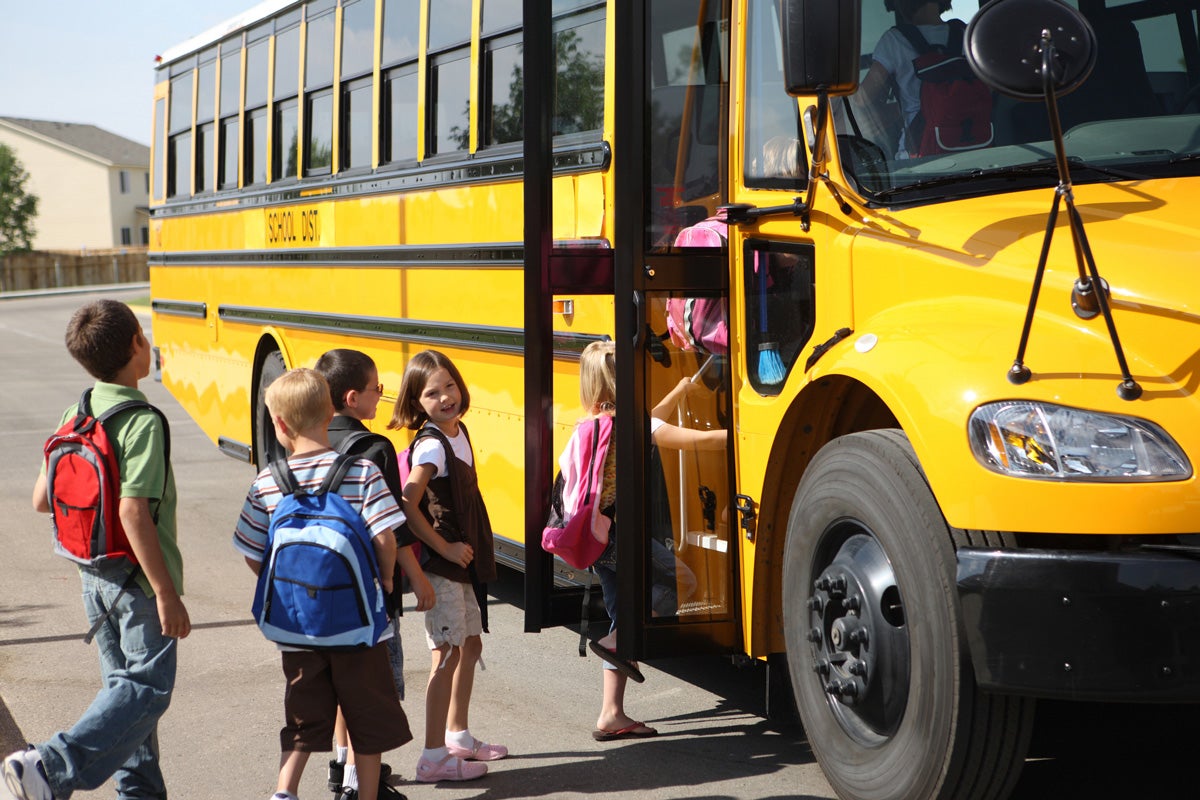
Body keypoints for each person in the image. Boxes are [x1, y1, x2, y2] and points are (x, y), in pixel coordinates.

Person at [6, 299, 191, 800]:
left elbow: (42, 499)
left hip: (92, 574)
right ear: (136, 345)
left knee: (126, 699)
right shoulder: (141, 421)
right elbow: (133, 513)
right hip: (135, 582)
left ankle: (139, 794)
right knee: (148, 688)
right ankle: (47, 766)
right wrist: (166, 593)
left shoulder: (77, 409)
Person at [233, 368, 411, 800]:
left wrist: (287, 591)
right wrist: (385, 579)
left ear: (279, 424)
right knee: (366, 720)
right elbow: (386, 537)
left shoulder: (267, 482)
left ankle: (285, 790)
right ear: (332, 410)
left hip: (298, 629)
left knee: (302, 716)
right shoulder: (362, 471)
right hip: (360, 627)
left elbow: (253, 550)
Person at [576, 341, 724, 742]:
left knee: (620, 615)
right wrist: (741, 436)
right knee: (684, 583)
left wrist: (678, 392)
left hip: (595, 539)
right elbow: (689, 439)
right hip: (622, 537)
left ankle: (611, 713)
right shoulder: (629, 425)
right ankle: (619, 640)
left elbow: (653, 423)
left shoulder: (594, 424)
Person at [314, 349, 435, 798]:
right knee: (373, 690)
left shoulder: (311, 439)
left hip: (322, 587)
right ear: (352, 397)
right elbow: (390, 529)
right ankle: (358, 784)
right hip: (369, 590)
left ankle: (340, 763)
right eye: (376, 389)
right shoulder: (374, 448)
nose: (381, 395)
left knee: (344, 682)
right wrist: (413, 579)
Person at [388, 350, 506, 782]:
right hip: (444, 564)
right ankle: (432, 756)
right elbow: (406, 502)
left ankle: (458, 735)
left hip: (464, 564)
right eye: (432, 393)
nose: (445, 397)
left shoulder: (457, 431)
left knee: (470, 644)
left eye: (449, 386)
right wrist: (446, 547)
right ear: (417, 402)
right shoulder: (433, 443)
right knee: (446, 654)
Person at [858, 0, 955, 157]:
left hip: (921, 153)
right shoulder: (967, 35)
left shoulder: (894, 40)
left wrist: (897, 110)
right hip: (975, 148)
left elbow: (862, 98)